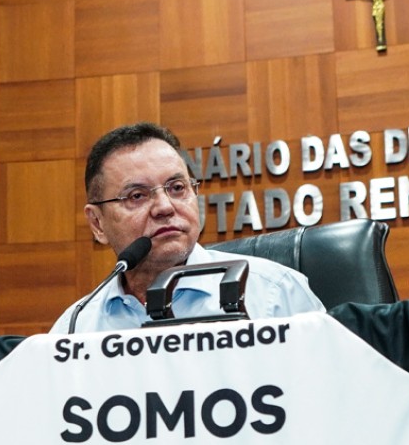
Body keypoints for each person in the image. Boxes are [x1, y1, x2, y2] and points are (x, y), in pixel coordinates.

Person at [50, 122, 324, 334]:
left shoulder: (274, 295)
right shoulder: (76, 328)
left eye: (177, 188)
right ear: (97, 223)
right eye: (137, 196)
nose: (164, 207)